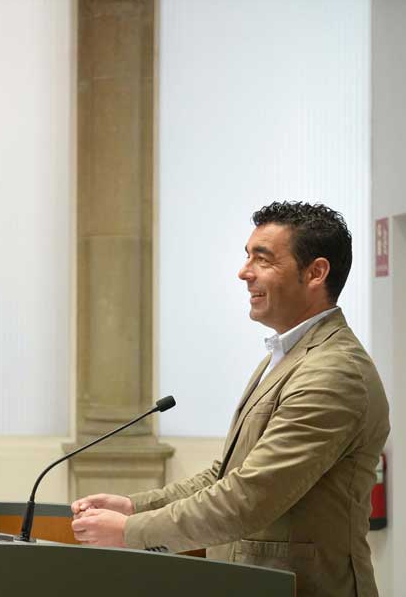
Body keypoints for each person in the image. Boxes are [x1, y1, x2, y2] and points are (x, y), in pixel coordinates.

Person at [70, 202, 389, 597]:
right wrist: (137, 507)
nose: (244, 272)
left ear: (316, 272)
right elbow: (227, 474)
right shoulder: (287, 355)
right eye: (247, 256)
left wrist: (130, 532)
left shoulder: (335, 373)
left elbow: (249, 498)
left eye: (263, 258)